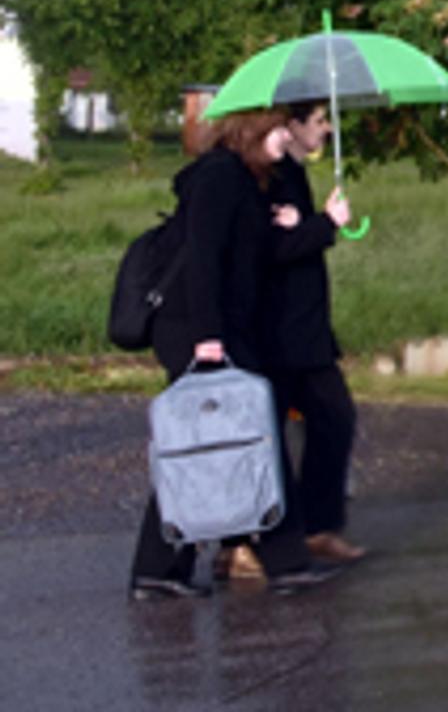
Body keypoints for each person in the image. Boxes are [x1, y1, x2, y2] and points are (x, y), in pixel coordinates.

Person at [129, 109, 332, 599]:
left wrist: (306, 224)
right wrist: (207, 335)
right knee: (248, 433)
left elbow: (257, 256)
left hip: (221, 325)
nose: (289, 139)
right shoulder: (219, 177)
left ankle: (161, 569)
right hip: (196, 326)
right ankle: (284, 563)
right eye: (281, 128)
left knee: (221, 437)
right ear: (255, 131)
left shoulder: (246, 181)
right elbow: (204, 258)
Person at [261, 101, 368, 567]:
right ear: (293, 125)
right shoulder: (274, 177)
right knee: (282, 430)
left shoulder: (295, 175)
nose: (326, 130)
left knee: (332, 419)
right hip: (281, 332)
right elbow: (277, 248)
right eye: (319, 122)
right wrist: (326, 224)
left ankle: (316, 526)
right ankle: (265, 536)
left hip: (306, 331)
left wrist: (314, 223)